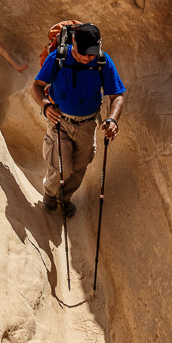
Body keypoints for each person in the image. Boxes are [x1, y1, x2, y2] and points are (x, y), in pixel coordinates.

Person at [32, 22, 125, 217]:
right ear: (73, 43)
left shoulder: (102, 61)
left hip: (87, 124)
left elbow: (117, 95)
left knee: (80, 166)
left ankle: (64, 198)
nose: (88, 58)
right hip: (60, 122)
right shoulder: (58, 58)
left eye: (92, 53)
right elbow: (37, 86)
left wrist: (113, 120)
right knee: (61, 167)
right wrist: (46, 105)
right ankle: (50, 193)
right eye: (84, 53)